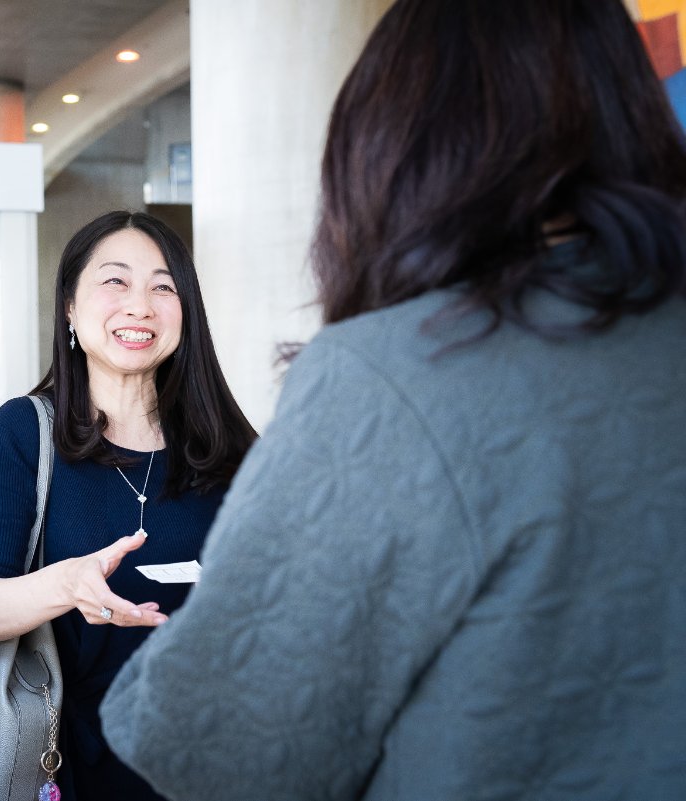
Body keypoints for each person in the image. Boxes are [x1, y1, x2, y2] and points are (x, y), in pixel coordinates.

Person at [100, 2, 686, 799]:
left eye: (163, 286)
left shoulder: (397, 374)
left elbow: (212, 743)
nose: (139, 307)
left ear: (391, 143)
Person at [0, 210, 256, 801]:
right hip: (72, 762)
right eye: (115, 281)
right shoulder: (25, 431)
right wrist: (67, 584)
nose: (140, 306)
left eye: (163, 287)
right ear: (70, 307)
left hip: (214, 760)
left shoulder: (230, 448)